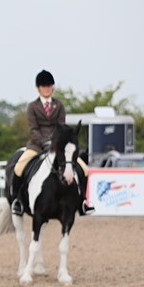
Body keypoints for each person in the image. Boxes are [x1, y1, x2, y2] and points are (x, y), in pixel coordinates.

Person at [11, 69, 92, 215]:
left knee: (85, 169)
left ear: (53, 87)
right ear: (38, 88)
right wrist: (44, 142)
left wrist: (55, 142)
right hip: (36, 145)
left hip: (58, 146)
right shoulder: (32, 107)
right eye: (43, 86)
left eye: (49, 86)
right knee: (18, 167)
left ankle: (83, 202)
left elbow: (61, 127)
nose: (47, 89)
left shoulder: (59, 106)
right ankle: (17, 201)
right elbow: (33, 129)